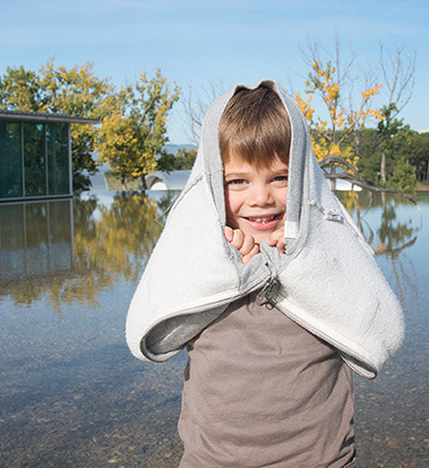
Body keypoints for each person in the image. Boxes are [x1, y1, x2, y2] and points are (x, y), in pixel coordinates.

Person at [125, 80, 404, 467]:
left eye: (280, 177)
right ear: (211, 184)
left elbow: (381, 332)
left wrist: (298, 264)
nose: (261, 198)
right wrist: (231, 271)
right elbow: (153, 331)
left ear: (304, 180)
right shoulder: (200, 261)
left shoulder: (328, 257)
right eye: (237, 181)